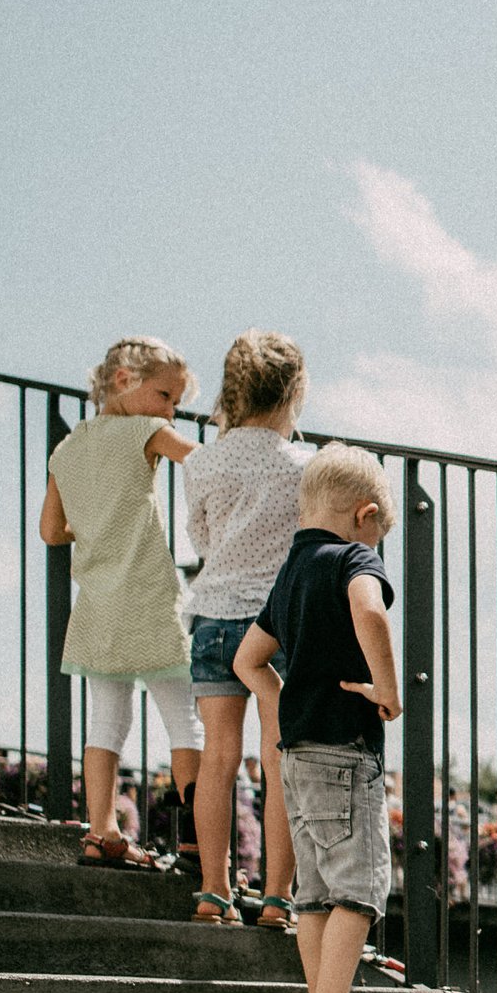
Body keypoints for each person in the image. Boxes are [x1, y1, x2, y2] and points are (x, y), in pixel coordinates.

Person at [233, 443, 407, 993]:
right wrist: (387, 690)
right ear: (365, 515)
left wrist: (283, 701)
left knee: (313, 897)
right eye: (380, 533)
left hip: (296, 755)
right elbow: (371, 612)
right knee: (360, 888)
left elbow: (247, 660)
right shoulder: (354, 558)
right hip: (345, 751)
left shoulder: (291, 573)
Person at [41, 335, 202, 871]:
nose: (170, 410)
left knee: (107, 721)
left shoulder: (66, 450)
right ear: (124, 380)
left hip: (99, 606)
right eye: (165, 395)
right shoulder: (145, 430)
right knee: (185, 719)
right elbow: (199, 460)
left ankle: (101, 832)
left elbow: (52, 531)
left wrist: (94, 523)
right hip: (149, 596)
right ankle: (198, 846)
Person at [182, 330, 308, 929]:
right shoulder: (306, 466)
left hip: (213, 618)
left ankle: (214, 890)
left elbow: (201, 538)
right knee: (278, 758)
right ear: (293, 393)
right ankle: (278, 898)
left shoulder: (202, 461)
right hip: (276, 627)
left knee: (218, 757)